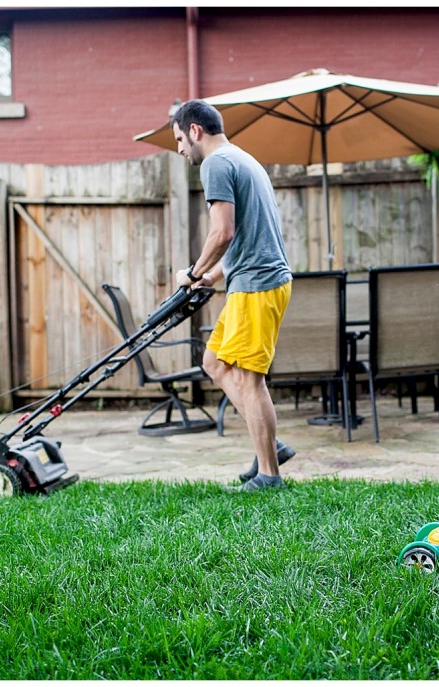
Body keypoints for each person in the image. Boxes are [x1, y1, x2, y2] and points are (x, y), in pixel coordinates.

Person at [170, 99, 295, 491]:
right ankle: (268, 445)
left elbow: (221, 232)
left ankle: (269, 475)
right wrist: (212, 276)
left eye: (178, 139)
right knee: (214, 362)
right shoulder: (244, 159)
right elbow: (246, 234)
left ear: (195, 131)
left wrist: (193, 272)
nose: (178, 149)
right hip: (249, 280)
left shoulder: (216, 163)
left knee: (248, 379)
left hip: (258, 285)